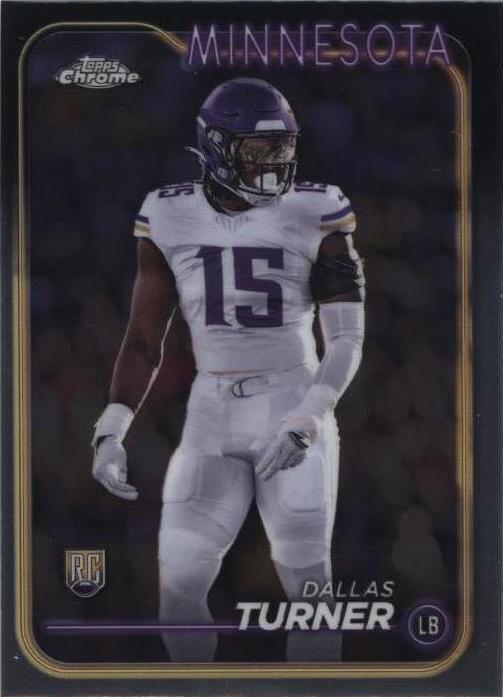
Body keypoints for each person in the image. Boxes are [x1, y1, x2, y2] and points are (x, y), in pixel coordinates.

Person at [91, 77, 365, 662]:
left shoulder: (316, 209)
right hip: (211, 410)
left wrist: (309, 418)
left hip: (292, 398)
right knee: (179, 585)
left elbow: (346, 339)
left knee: (309, 588)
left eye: (282, 147)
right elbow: (143, 338)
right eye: (259, 150)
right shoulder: (168, 213)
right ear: (216, 146)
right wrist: (112, 431)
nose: (275, 163)